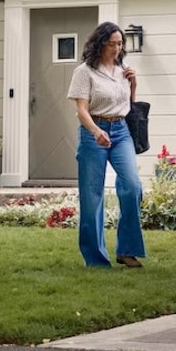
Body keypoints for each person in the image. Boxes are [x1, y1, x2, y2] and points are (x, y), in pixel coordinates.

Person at [66, 21, 146, 268]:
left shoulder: (123, 70)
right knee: (92, 196)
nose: (117, 48)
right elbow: (81, 110)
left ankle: (127, 250)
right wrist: (96, 130)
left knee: (132, 186)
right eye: (112, 43)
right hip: (93, 132)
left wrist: (133, 86)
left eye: (120, 43)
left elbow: (128, 106)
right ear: (100, 43)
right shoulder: (85, 71)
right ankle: (96, 258)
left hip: (121, 131)